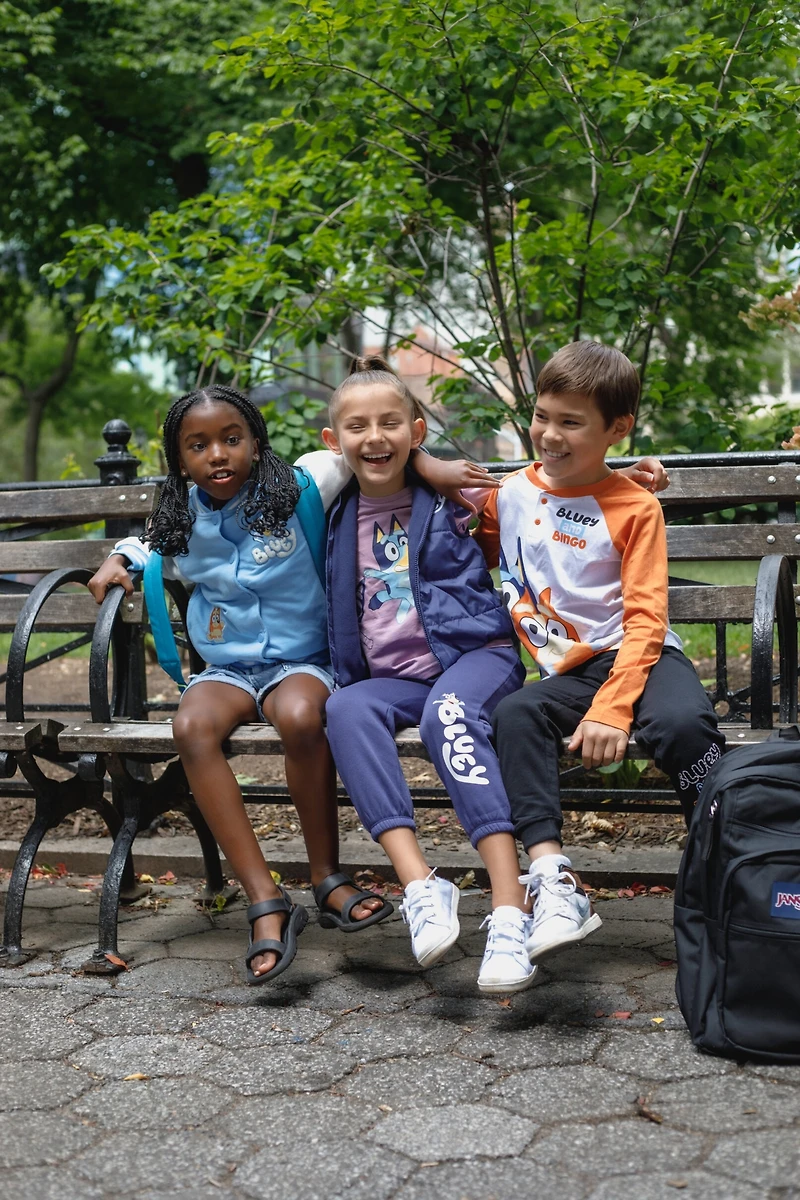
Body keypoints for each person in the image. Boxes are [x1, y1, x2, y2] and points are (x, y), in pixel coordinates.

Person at [87, 384, 474, 984]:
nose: (218, 454)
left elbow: (373, 449)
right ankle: (265, 898)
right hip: (227, 669)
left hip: (304, 661)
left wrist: (433, 465)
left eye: (231, 439)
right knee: (191, 726)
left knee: (300, 716)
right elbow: (146, 545)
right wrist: (119, 560)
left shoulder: (303, 484)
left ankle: (327, 878)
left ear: (256, 441)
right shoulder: (181, 517)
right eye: (198, 446)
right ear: (179, 460)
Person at [476, 341, 724, 966]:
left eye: (571, 422)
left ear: (617, 429)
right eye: (542, 416)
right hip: (573, 669)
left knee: (683, 725)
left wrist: (613, 709)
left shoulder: (636, 506)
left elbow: (647, 619)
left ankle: (722, 861)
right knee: (516, 714)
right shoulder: (508, 495)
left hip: (642, 654)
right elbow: (470, 539)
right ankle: (553, 878)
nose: (548, 435)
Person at [321, 355, 543, 993]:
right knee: (344, 709)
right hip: (395, 678)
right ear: (334, 442)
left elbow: (541, 491)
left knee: (448, 717)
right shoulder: (330, 508)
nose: (375, 437)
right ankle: (421, 885)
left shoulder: (452, 496)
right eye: (358, 427)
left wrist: (627, 477)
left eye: (391, 424)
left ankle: (510, 907)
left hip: (474, 659)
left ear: (416, 432)